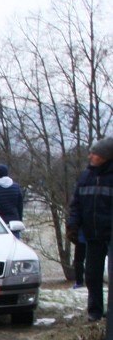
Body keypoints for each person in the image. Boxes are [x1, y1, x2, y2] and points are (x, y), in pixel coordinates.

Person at [67, 137, 113, 322]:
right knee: (92, 275)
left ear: (105, 156)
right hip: (92, 234)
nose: (90, 156)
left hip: (110, 233)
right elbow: (76, 203)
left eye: (94, 153)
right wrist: (73, 224)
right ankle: (95, 311)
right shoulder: (86, 176)